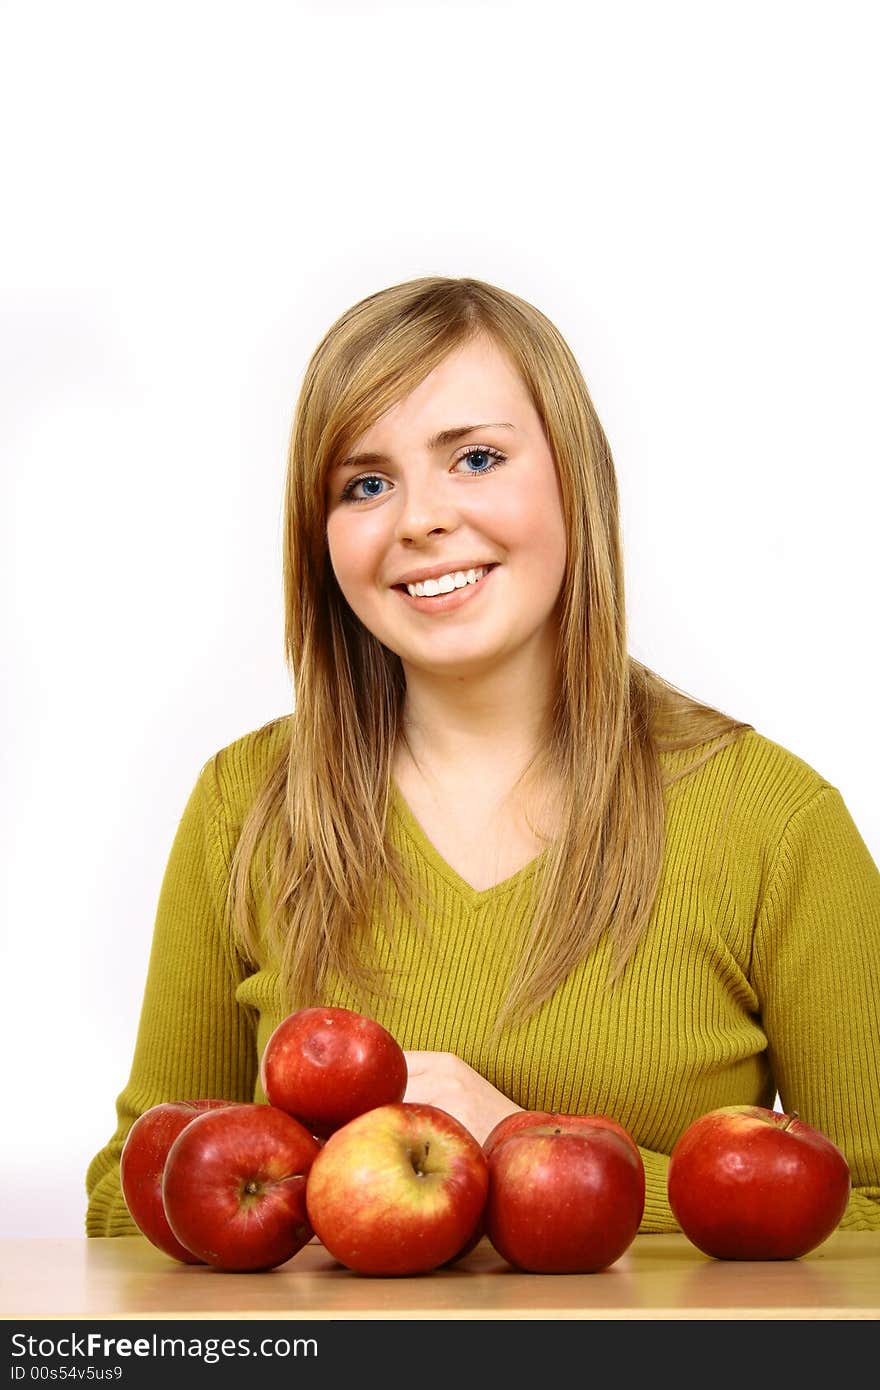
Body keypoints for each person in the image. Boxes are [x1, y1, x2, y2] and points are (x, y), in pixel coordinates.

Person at [86, 275, 880, 1237]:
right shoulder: (244, 806)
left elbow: (871, 1213)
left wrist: (513, 1146)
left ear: (572, 477)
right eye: (365, 483)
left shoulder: (774, 821)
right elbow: (132, 1206)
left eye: (474, 457)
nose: (418, 518)